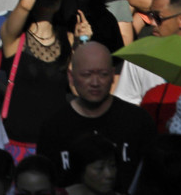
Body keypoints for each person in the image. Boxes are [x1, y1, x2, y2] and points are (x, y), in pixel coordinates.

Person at [29, 42, 152, 190]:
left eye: (103, 74)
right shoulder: (54, 128)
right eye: (87, 75)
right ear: (71, 77)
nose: (95, 82)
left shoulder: (138, 121)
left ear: (113, 75)